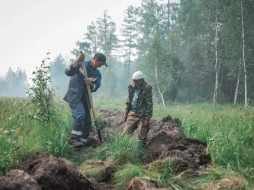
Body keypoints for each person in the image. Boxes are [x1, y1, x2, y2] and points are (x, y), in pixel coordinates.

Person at [64, 52, 108, 148]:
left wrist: (91, 84)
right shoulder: (81, 65)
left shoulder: (97, 73)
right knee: (80, 115)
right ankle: (74, 140)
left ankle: (83, 140)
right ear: (96, 60)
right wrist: (78, 60)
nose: (100, 67)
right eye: (100, 64)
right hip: (75, 95)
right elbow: (68, 72)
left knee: (88, 120)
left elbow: (96, 86)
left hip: (86, 97)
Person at [122, 71, 153, 147]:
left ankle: (141, 153)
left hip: (142, 116)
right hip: (132, 113)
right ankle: (124, 150)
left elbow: (149, 104)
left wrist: (147, 119)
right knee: (125, 135)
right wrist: (126, 113)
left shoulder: (147, 88)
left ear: (141, 80)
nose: (134, 82)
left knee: (142, 137)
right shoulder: (131, 87)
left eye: (136, 81)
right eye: (134, 81)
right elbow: (128, 101)